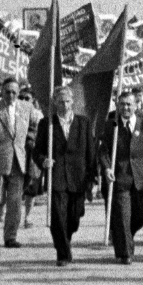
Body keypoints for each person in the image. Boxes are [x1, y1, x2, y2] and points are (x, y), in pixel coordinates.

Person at [102, 88, 143, 262]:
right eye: (122, 104)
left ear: (136, 105)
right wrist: (106, 168)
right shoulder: (111, 126)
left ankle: (124, 235)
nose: (125, 108)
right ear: (117, 106)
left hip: (140, 179)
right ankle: (125, 253)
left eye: (129, 104)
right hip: (119, 177)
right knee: (122, 215)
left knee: (141, 213)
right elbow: (103, 151)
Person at [46, 85, 99, 265]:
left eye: (68, 101)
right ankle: (63, 254)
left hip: (79, 177)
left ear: (73, 102)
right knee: (58, 217)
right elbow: (38, 150)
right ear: (54, 103)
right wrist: (44, 160)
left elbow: (91, 151)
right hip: (57, 176)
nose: (65, 105)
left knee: (74, 217)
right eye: (61, 102)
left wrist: (94, 177)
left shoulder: (83, 123)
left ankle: (66, 239)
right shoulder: (48, 124)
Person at [0, 79, 30, 248]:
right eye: (7, 91)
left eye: (14, 92)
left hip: (18, 162)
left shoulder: (26, 108)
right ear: (2, 91)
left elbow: (40, 124)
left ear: (18, 93)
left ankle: (10, 236)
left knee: (15, 202)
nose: (11, 95)